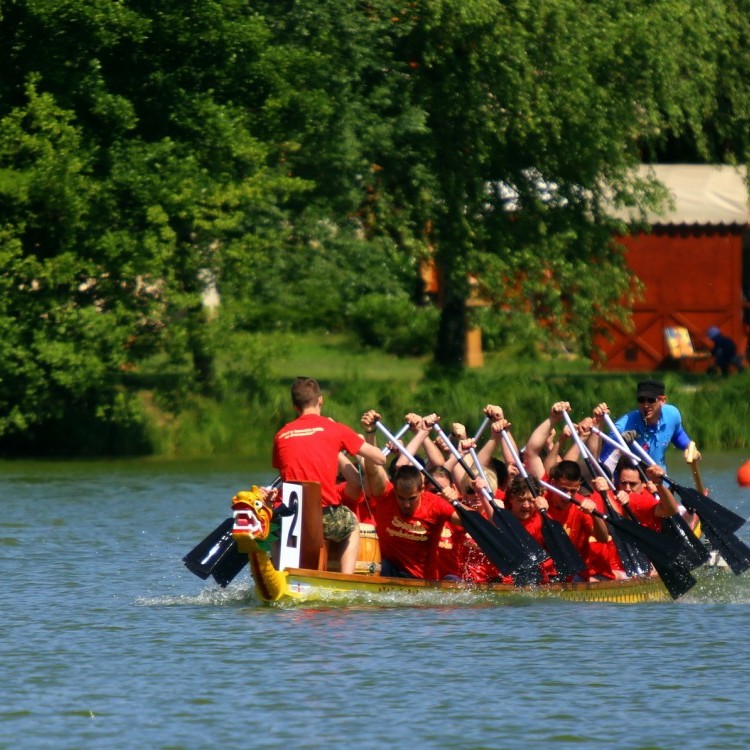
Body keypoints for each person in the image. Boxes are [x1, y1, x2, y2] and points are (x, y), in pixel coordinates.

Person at [272, 377, 386, 574]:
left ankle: (280, 572)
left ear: (293, 406)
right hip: (324, 517)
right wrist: (346, 445)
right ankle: (346, 579)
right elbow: (380, 459)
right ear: (321, 400)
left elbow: (282, 468)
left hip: (289, 516)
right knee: (351, 525)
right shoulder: (334, 428)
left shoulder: (281, 435)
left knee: (274, 528)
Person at [601, 380, 700, 470]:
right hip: (630, 485)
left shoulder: (672, 414)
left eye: (651, 400)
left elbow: (677, 434)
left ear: (662, 401)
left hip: (660, 482)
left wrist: (689, 447)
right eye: (641, 400)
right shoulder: (622, 427)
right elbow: (602, 461)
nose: (645, 405)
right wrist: (619, 444)